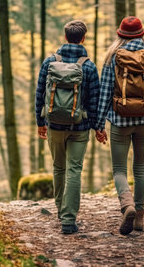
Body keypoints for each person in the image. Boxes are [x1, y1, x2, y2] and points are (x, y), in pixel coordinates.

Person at [95, 16, 144, 235]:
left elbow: (104, 93)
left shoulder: (112, 58)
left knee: (119, 169)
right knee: (140, 169)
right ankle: (139, 217)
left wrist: (98, 125)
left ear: (120, 35)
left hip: (119, 120)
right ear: (142, 34)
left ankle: (126, 206)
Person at [35, 20, 100, 234]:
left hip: (53, 124)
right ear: (83, 38)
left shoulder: (49, 62)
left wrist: (40, 122)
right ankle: (69, 220)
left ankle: (60, 211)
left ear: (65, 37)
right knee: (74, 170)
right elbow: (94, 100)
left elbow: (40, 94)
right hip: (79, 127)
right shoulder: (89, 66)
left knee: (58, 167)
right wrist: (97, 126)